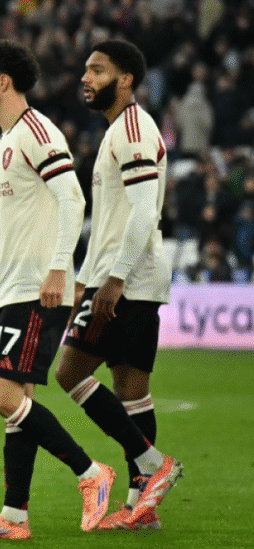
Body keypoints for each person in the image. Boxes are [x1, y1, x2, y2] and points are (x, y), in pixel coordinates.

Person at [0, 40, 112, 540]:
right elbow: (7, 230)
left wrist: (60, 268)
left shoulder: (37, 131)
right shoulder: (2, 145)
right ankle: (14, 517)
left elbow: (73, 197)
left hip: (37, 289)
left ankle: (91, 474)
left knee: (1, 397)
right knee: (15, 403)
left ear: (4, 82)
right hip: (8, 287)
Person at [55, 39, 183, 531]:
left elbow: (144, 212)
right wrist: (86, 284)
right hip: (128, 278)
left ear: (125, 79)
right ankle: (140, 508)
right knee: (132, 391)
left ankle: (152, 466)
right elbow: (111, 224)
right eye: (86, 69)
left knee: (70, 373)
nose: (85, 78)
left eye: (97, 70)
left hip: (126, 281)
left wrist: (110, 282)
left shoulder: (132, 129)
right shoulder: (119, 132)